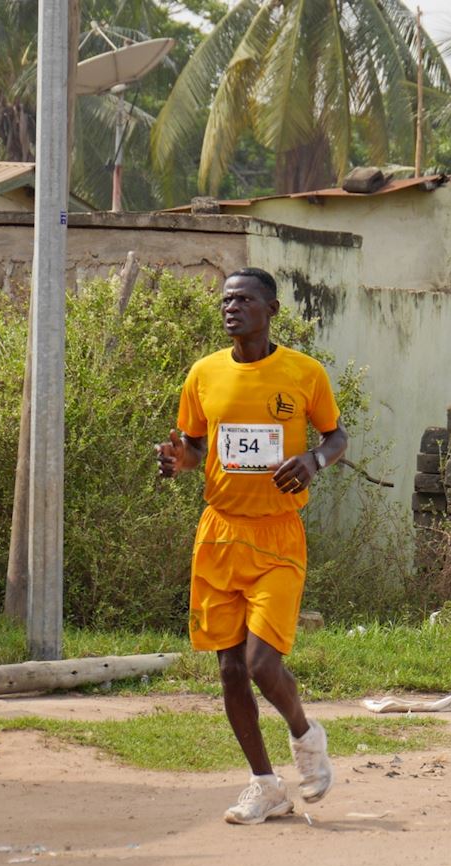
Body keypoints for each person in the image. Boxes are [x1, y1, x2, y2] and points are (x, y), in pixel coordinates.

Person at [155, 267, 348, 824]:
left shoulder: (303, 373)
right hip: (219, 532)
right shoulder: (204, 374)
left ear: (271, 310)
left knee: (263, 662)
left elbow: (336, 436)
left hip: (278, 533)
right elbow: (193, 447)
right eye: (225, 300)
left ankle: (307, 736)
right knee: (230, 671)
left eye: (243, 299)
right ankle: (265, 785)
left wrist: (313, 460)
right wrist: (177, 461)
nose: (231, 308)